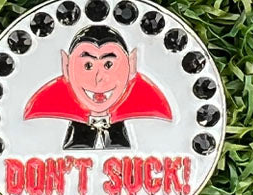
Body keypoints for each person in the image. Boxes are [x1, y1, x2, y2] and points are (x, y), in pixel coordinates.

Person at [23, 25, 172, 149]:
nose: (99, 78)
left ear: (131, 65)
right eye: (88, 65)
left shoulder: (141, 122)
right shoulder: (51, 121)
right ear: (66, 66)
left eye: (109, 65)